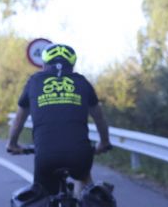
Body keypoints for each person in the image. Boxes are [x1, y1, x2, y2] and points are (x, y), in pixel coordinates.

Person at [7, 43, 112, 198]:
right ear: (72, 65)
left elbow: (18, 120)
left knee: (44, 198)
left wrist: (12, 144)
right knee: (83, 179)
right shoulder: (82, 83)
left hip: (45, 156)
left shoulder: (34, 82)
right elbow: (100, 119)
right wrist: (104, 142)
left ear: (44, 64)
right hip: (79, 155)